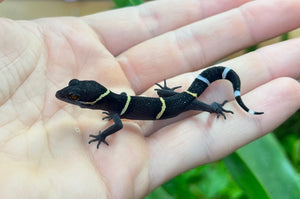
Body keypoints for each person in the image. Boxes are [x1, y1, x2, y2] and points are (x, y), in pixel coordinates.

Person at [0, 0, 299, 198]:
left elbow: (117, 126)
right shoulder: (113, 101)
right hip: (171, 100)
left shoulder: (115, 109)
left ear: (90, 101)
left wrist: (103, 135)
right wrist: (167, 93)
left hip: (179, 104)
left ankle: (219, 104)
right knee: (182, 96)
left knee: (200, 104)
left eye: (75, 95)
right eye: (74, 94)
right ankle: (218, 97)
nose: (70, 98)